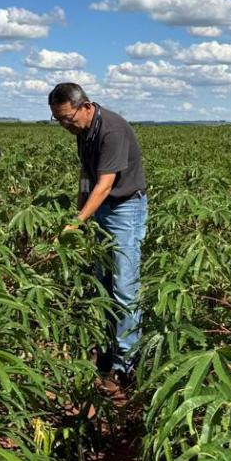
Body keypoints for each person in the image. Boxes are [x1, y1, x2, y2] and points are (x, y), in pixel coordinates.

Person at [48, 82, 148, 385]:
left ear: (85, 106)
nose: (64, 125)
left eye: (67, 118)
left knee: (124, 287)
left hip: (124, 209)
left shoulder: (111, 130)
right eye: (58, 119)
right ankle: (106, 352)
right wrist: (80, 210)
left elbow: (104, 184)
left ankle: (127, 364)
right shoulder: (83, 131)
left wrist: (77, 222)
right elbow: (86, 175)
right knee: (103, 285)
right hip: (100, 207)